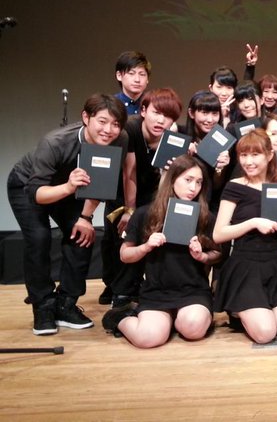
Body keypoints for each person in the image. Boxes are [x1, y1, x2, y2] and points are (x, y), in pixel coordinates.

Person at [7, 94, 128, 335]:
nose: (109, 130)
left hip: (70, 189)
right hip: (29, 187)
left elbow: (100, 183)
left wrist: (86, 218)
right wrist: (69, 187)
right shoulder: (55, 143)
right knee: (39, 237)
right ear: (86, 117)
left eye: (115, 124)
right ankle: (43, 305)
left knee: (81, 235)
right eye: (102, 121)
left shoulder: (119, 140)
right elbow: (37, 194)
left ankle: (66, 303)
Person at [102, 155, 222, 348]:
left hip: (194, 291)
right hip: (156, 292)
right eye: (188, 180)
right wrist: (146, 246)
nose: (193, 188)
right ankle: (120, 318)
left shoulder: (205, 216)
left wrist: (202, 255)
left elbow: (218, 254)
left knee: (193, 329)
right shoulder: (145, 213)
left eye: (199, 182)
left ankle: (174, 320)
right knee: (148, 339)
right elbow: (125, 255)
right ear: (172, 179)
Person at [213, 129, 277, 344]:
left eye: (255, 155)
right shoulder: (234, 186)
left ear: (270, 155)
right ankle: (240, 311)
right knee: (265, 333)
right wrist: (253, 223)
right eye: (244, 155)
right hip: (246, 266)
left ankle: (256, 310)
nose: (248, 161)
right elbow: (218, 234)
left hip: (275, 266)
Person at [102, 88, 183, 307]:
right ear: (144, 110)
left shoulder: (172, 139)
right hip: (121, 194)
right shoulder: (129, 129)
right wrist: (129, 210)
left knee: (142, 238)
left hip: (149, 195)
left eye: (168, 116)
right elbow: (129, 174)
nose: (161, 120)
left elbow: (166, 181)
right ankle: (115, 289)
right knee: (116, 239)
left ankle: (128, 290)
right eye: (156, 113)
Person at [114, 51, 151, 115]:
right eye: (131, 73)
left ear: (148, 79)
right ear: (119, 75)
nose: (137, 80)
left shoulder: (154, 105)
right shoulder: (111, 106)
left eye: (142, 74)